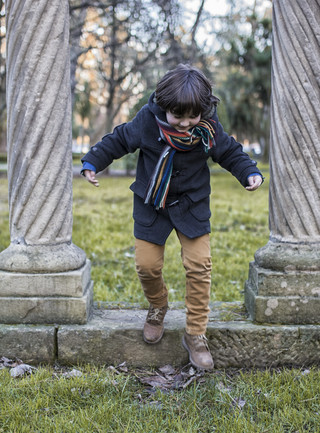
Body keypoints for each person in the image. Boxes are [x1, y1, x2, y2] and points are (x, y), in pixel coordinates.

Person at [81, 64, 263, 371]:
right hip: (152, 203)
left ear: (204, 111)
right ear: (163, 106)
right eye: (177, 116)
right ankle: (158, 305)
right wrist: (92, 162)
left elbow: (230, 152)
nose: (185, 123)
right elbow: (119, 140)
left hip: (191, 204)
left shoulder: (207, 127)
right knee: (147, 265)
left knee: (199, 265)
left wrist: (249, 171)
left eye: (193, 117)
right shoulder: (147, 122)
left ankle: (195, 333)